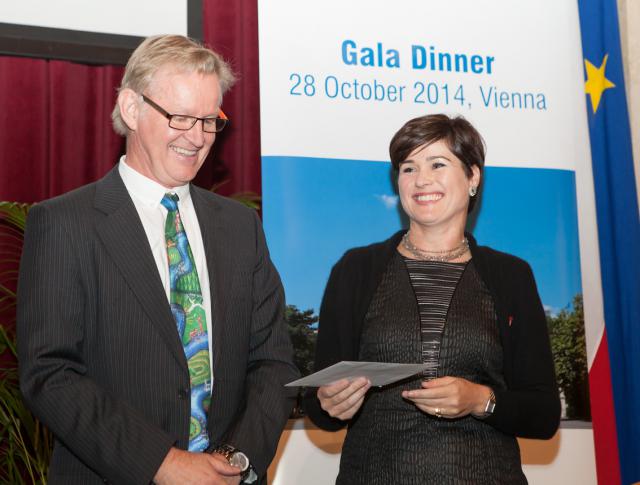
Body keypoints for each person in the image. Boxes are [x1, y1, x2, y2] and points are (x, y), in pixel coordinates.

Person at [17, 35, 298, 485]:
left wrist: (235, 460)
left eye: (209, 120)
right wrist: (160, 463)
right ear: (131, 109)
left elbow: (273, 362)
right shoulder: (64, 223)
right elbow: (50, 374)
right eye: (182, 117)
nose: (198, 137)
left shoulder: (241, 226)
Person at [303, 114, 560, 484]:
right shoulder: (356, 269)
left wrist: (480, 400)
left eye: (437, 164)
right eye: (408, 168)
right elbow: (319, 402)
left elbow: (544, 413)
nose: (421, 180)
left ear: (473, 177)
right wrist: (329, 403)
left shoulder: (512, 276)